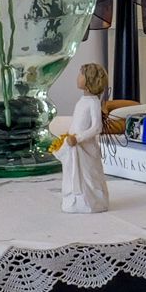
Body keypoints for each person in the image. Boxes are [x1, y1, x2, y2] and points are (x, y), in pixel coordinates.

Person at [54, 61, 111, 214]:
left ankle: (91, 202)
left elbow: (97, 127)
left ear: (89, 80)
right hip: (74, 145)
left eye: (81, 74)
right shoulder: (83, 101)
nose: (78, 77)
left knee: (88, 176)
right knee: (73, 173)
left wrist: (78, 138)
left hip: (85, 147)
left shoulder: (93, 103)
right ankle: (75, 200)